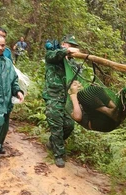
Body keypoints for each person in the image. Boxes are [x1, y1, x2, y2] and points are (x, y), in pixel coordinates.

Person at [42, 34, 80, 168]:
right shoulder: (53, 55)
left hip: (66, 99)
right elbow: (54, 55)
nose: (73, 49)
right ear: (63, 44)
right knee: (57, 126)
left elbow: (77, 81)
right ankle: (59, 154)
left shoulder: (72, 63)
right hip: (53, 97)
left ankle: (52, 142)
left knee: (69, 125)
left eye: (74, 47)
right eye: (70, 46)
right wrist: (66, 51)